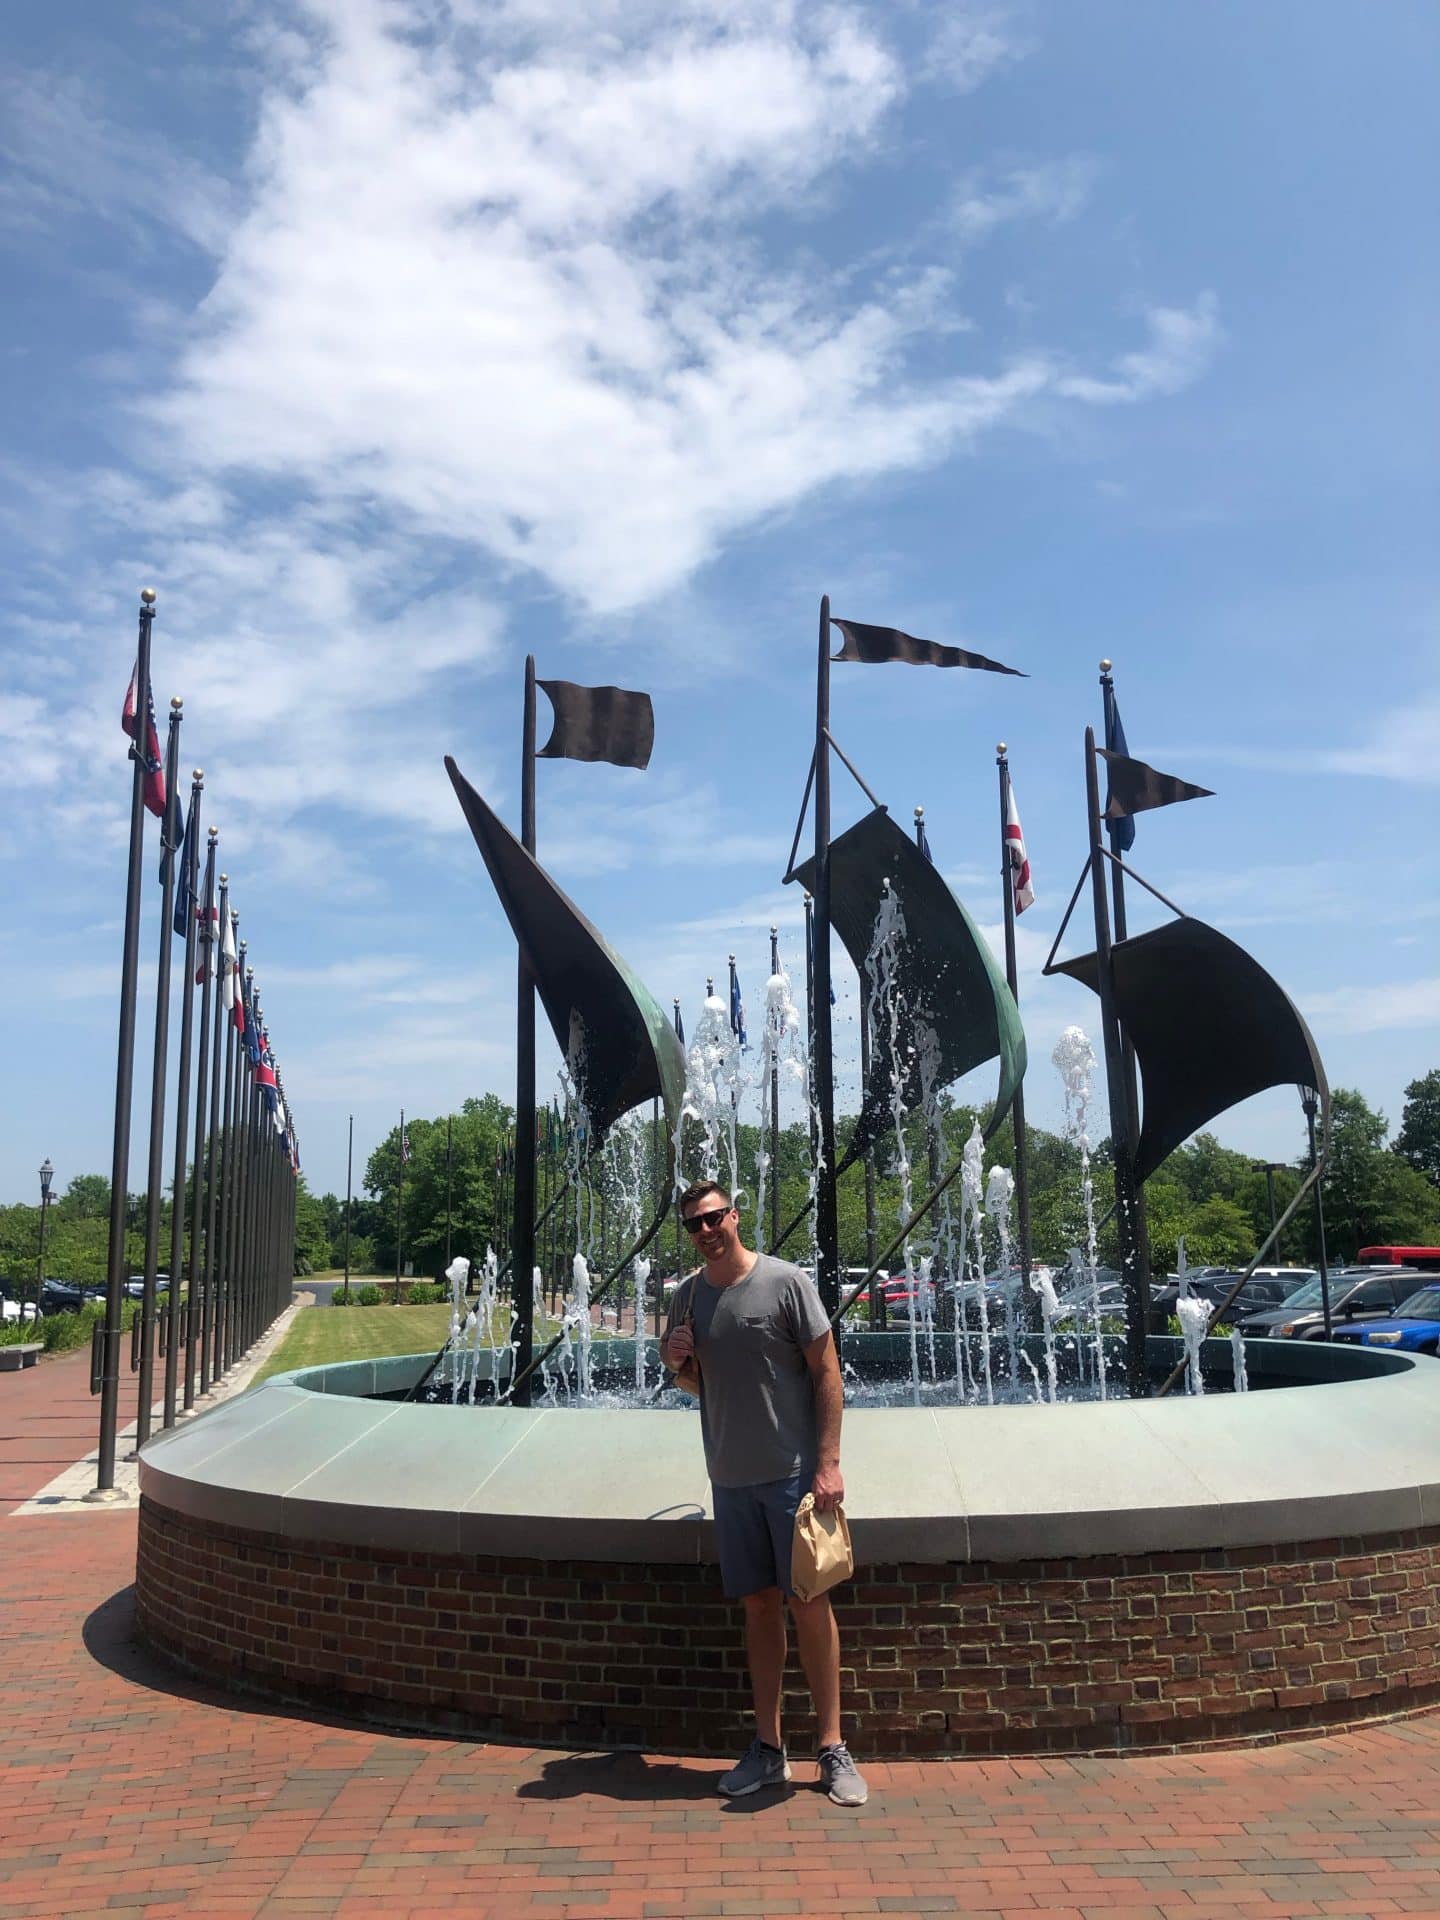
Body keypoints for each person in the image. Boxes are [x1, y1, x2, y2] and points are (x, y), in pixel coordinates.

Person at [660, 1178, 867, 1807]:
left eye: (714, 1218)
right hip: (730, 1479)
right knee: (757, 1609)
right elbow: (702, 1386)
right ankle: (768, 1747)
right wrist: (676, 1366)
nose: (706, 1231)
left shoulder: (784, 1283)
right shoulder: (690, 1297)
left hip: (792, 1479)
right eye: (695, 1224)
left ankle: (831, 1747)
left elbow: (827, 1369)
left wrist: (827, 1464)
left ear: (735, 1216)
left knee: (810, 1605)